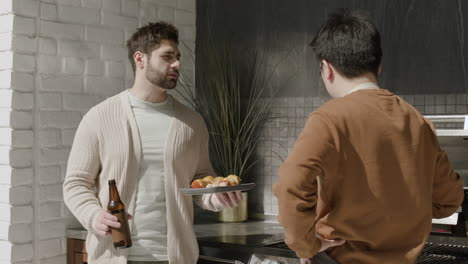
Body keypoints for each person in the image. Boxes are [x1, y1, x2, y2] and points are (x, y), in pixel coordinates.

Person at [273, 9, 464, 264]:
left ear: (326, 69)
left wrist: (307, 244)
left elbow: (291, 184)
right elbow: (449, 199)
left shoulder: (329, 119)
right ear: (379, 66)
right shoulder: (418, 122)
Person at [63, 21, 242, 264]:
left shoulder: (191, 122)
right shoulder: (100, 117)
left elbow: (200, 181)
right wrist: (92, 215)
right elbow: (75, 183)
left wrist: (216, 197)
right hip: (113, 256)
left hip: (175, 258)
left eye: (178, 57)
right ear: (140, 59)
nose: (177, 64)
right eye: (167, 56)